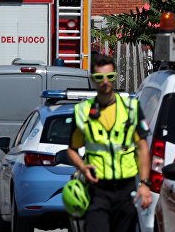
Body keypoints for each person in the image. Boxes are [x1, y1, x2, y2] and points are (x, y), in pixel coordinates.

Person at [65, 54, 152, 232]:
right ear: (93, 80)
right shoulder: (82, 111)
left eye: (110, 77)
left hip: (126, 189)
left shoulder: (131, 109)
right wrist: (83, 168)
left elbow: (143, 148)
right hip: (98, 190)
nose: (105, 82)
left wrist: (144, 184)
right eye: (99, 77)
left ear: (115, 77)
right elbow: (72, 150)